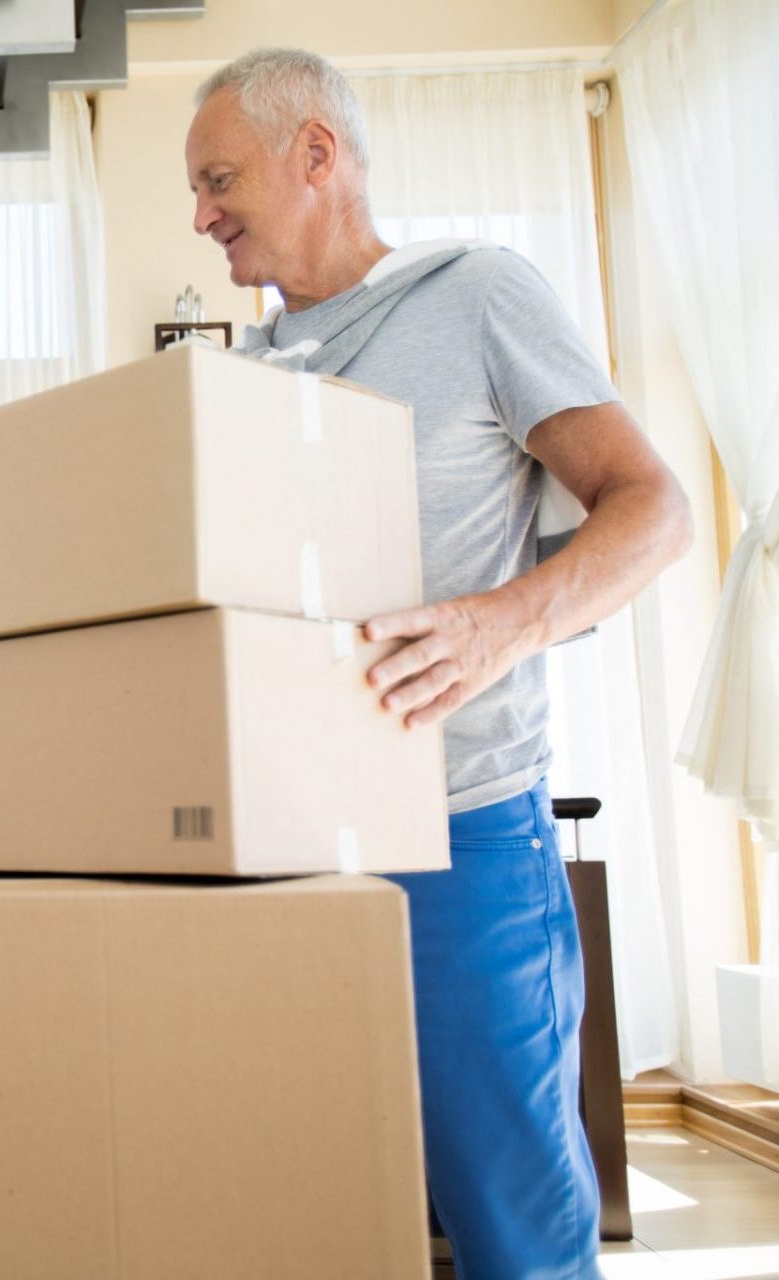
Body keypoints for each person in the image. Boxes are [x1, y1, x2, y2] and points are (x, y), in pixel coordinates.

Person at [184, 48, 692, 1280]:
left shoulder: (478, 296)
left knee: (510, 1222)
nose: (201, 217)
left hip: (458, 838)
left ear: (317, 154)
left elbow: (654, 508)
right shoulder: (239, 376)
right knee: (314, 1209)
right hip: (282, 851)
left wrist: (502, 622)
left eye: (217, 179)